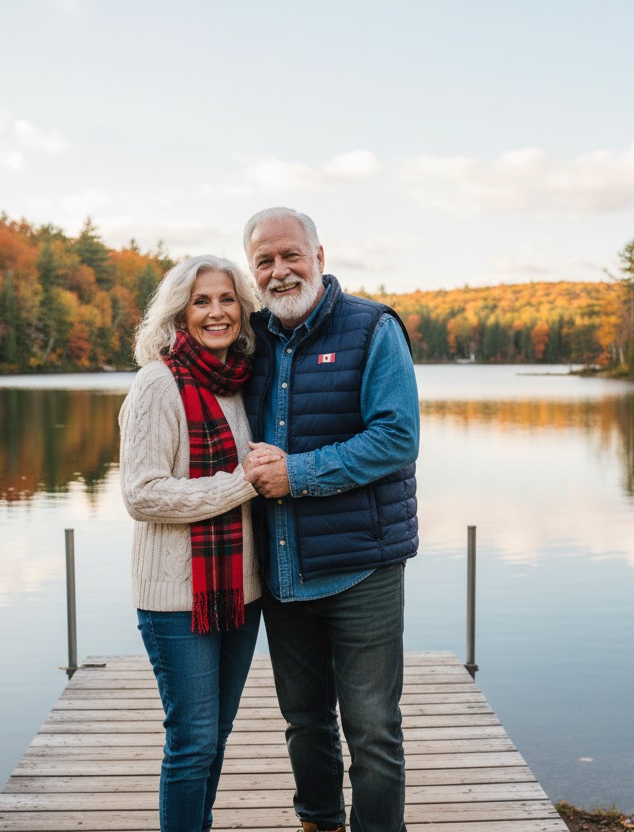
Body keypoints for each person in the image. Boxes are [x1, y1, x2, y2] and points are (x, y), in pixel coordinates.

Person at [241, 207, 419, 832]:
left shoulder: (372, 328)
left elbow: (397, 437)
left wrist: (299, 473)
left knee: (371, 729)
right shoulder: (249, 340)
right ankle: (318, 820)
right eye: (264, 260)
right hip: (284, 569)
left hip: (361, 569)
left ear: (319, 256)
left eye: (291, 255)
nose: (280, 270)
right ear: (252, 270)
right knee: (305, 721)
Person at [118, 254, 280, 832]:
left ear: (244, 309)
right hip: (175, 599)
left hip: (241, 591)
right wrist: (243, 482)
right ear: (179, 312)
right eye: (202, 301)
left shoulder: (239, 383)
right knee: (191, 741)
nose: (217, 312)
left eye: (228, 299)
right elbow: (142, 495)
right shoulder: (157, 384)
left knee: (216, 737)